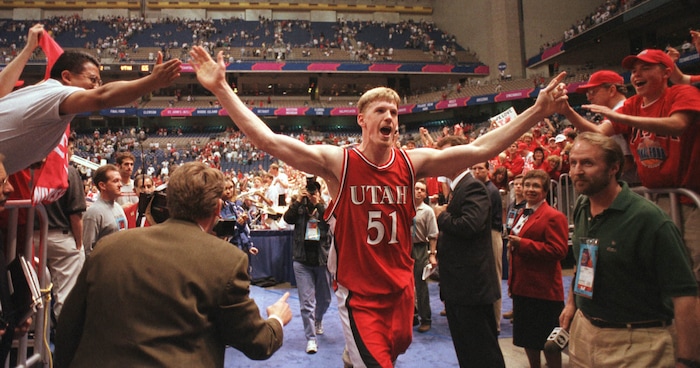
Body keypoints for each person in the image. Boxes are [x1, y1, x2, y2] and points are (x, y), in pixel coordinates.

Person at [189, 45, 568, 367]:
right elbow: (269, 141)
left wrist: (537, 111)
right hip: (360, 296)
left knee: (392, 350)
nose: (390, 117)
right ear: (362, 121)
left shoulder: (411, 161)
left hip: (402, 288)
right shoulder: (339, 162)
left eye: (394, 112)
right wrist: (222, 88)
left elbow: (482, 148)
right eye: (381, 111)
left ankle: (353, 356)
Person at [54, 161, 293, 367]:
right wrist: (276, 320)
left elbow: (68, 326)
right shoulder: (227, 260)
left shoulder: (108, 247)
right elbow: (258, 343)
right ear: (217, 208)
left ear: (167, 203)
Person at [559, 132, 699, 367]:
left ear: (614, 168)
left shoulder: (649, 219)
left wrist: (686, 360)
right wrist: (572, 304)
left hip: (638, 343)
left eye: (587, 163)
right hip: (584, 334)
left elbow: (685, 295)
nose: (576, 171)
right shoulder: (583, 206)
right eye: (573, 163)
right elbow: (582, 262)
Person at [559, 49, 700, 284]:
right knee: (661, 265)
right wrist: (567, 111)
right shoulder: (633, 104)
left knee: (693, 267)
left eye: (645, 68)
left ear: (666, 72)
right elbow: (598, 134)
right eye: (634, 70)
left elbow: (678, 125)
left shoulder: (682, 93)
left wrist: (622, 119)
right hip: (656, 197)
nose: (637, 75)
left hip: (691, 198)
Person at [0, 48, 181, 175]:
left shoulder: (38, 91)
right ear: (67, 77)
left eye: (99, 82)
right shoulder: (58, 93)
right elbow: (102, 97)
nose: (95, 87)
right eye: (92, 80)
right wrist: (152, 82)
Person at [433, 135, 505, 367]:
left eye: (445, 155)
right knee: (469, 353)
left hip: (471, 290)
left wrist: (441, 215)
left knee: (483, 354)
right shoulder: (457, 188)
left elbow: (469, 225)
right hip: (460, 289)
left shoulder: (472, 186)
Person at [506, 169, 569, 368]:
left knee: (549, 342)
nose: (530, 190)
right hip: (523, 286)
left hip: (544, 290)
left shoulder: (553, 216)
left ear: (545, 190)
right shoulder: (522, 212)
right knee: (527, 338)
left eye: (535, 186)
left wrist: (523, 244)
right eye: (527, 185)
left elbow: (559, 250)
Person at [561, 70, 638, 184]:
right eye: (587, 93)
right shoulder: (613, 112)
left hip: (631, 183)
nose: (589, 97)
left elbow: (626, 161)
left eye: (593, 92)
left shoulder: (624, 108)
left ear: (612, 90)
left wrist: (567, 111)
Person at [283, 176, 332, 354]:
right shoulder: (299, 206)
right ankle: (311, 339)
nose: (311, 194)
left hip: (321, 260)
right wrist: (297, 201)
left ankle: (318, 319)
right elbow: (287, 219)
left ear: (319, 193)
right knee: (306, 302)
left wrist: (318, 204)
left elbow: (330, 223)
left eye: (315, 191)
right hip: (302, 260)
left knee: (325, 299)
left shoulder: (324, 207)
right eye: (310, 191)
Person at [40, 137, 87, 319]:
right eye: (70, 147)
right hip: (62, 237)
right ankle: (65, 340)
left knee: (34, 293)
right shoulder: (68, 170)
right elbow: (76, 215)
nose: (71, 152)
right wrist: (79, 243)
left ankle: (35, 336)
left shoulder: (29, 167)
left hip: (30, 237)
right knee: (67, 297)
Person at [471, 161, 504, 334]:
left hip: (491, 234)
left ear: (488, 170)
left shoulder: (490, 191)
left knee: (494, 279)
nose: (477, 171)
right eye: (474, 168)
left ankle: (495, 324)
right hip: (485, 234)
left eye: (480, 168)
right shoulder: (482, 188)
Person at [411, 179, 438, 333]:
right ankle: (411, 315)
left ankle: (425, 318)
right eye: (416, 189)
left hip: (420, 248)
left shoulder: (427, 211)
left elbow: (433, 234)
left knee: (421, 285)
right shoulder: (405, 207)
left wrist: (432, 254)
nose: (419, 192)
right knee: (406, 285)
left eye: (422, 190)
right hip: (404, 248)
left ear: (426, 194)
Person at [82, 164, 127, 257]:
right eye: (115, 181)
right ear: (102, 185)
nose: (120, 185)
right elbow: (88, 250)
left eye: (120, 181)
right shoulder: (93, 213)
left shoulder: (118, 207)